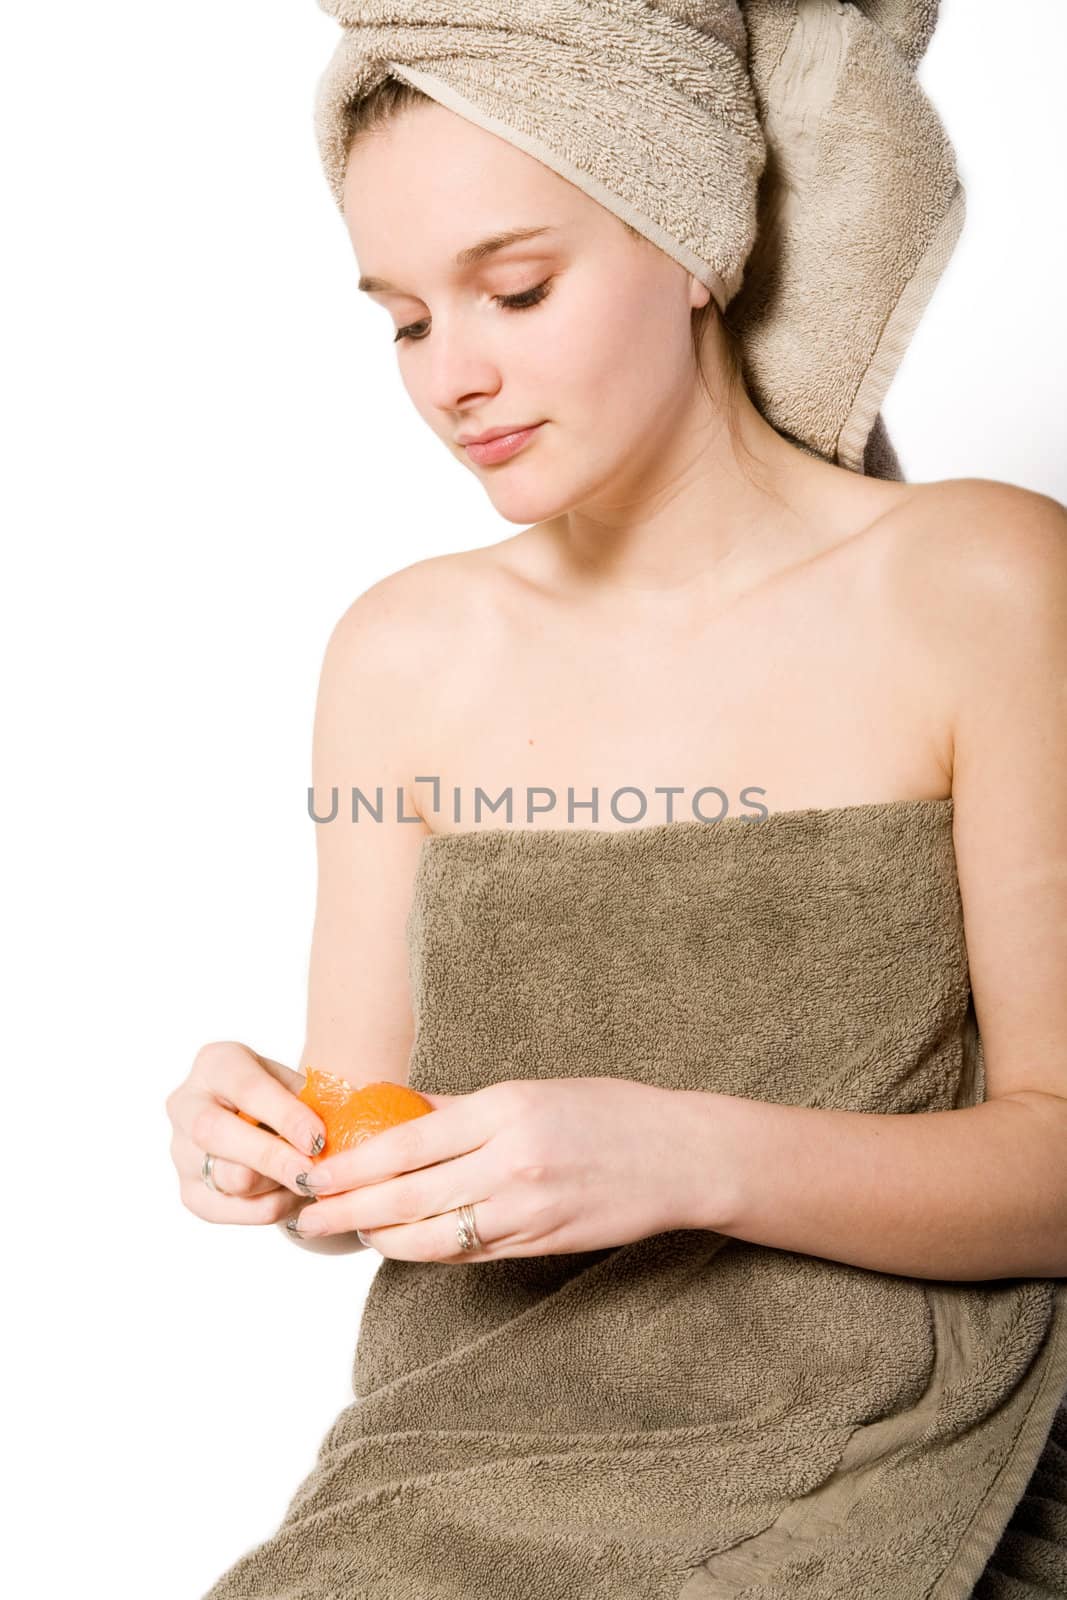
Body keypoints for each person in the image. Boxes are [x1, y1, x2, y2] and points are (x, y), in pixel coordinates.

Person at [168, 60, 1067, 1600]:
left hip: (894, 1457)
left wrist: (685, 1155)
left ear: (698, 245)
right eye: (403, 318)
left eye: (513, 289)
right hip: (459, 1470)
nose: (451, 373)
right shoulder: (401, 654)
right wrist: (266, 1148)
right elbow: (376, 1159)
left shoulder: (977, 582)